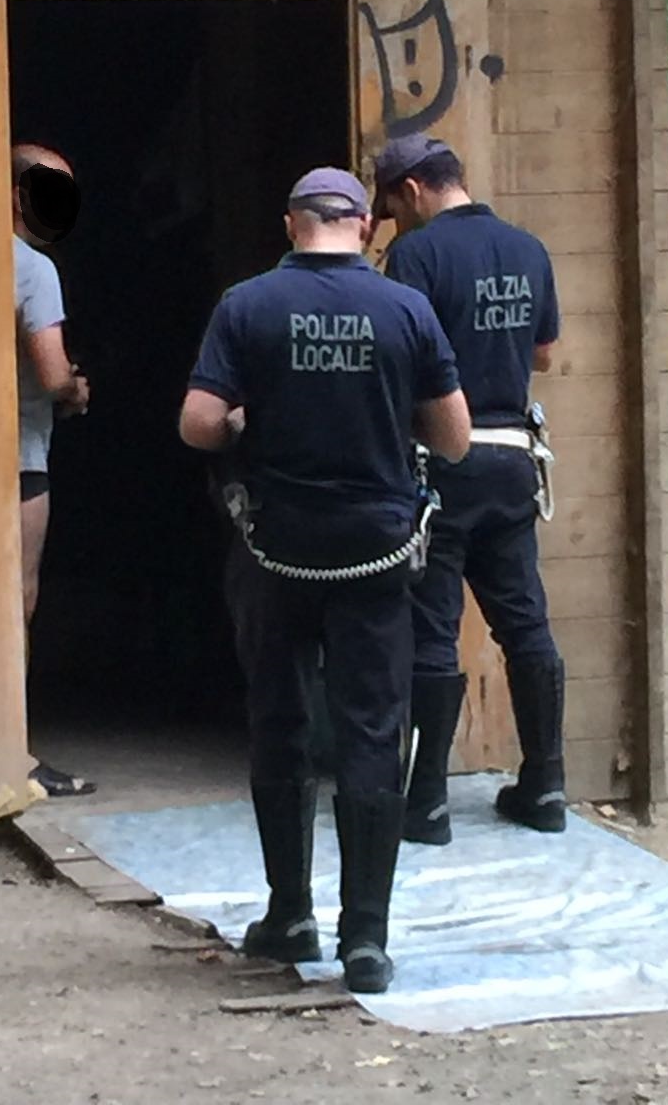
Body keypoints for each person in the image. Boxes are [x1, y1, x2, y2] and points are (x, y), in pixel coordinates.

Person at [179, 168, 470, 995]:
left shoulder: (247, 305)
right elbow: (452, 439)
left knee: (280, 723)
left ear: (291, 224)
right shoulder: (405, 309)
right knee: (372, 732)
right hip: (375, 551)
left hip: (277, 547)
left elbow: (198, 424)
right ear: (365, 226)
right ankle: (366, 941)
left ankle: (289, 916)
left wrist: (245, 418)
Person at [373, 135, 565, 843]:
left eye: (392, 209)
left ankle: (425, 802)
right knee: (526, 623)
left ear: (412, 190)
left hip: (441, 464)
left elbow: (399, 356)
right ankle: (546, 787)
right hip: (513, 460)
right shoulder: (528, 249)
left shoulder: (416, 256)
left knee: (433, 629)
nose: (393, 223)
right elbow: (544, 352)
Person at [12, 142, 94, 798]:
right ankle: (11, 754)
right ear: (19, 195)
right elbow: (50, 370)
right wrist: (74, 389)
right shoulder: (33, 269)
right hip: (16, 458)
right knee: (17, 600)